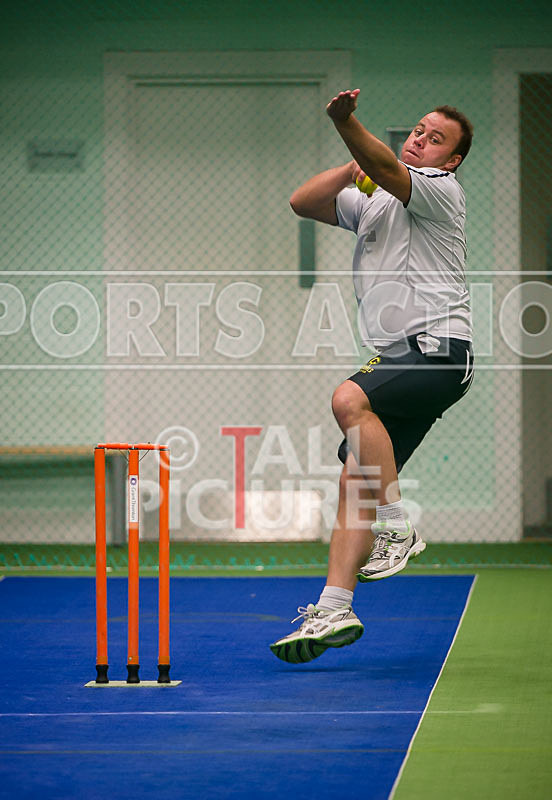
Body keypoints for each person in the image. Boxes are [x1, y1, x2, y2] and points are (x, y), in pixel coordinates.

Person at [270, 89, 475, 664]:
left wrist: (345, 122)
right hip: (401, 355)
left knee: (347, 397)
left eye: (435, 139)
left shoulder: (439, 191)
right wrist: (348, 166)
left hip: (438, 349)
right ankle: (335, 605)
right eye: (417, 129)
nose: (419, 139)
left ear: (450, 161)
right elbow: (301, 202)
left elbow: (389, 166)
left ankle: (397, 525)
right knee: (352, 483)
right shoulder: (377, 199)